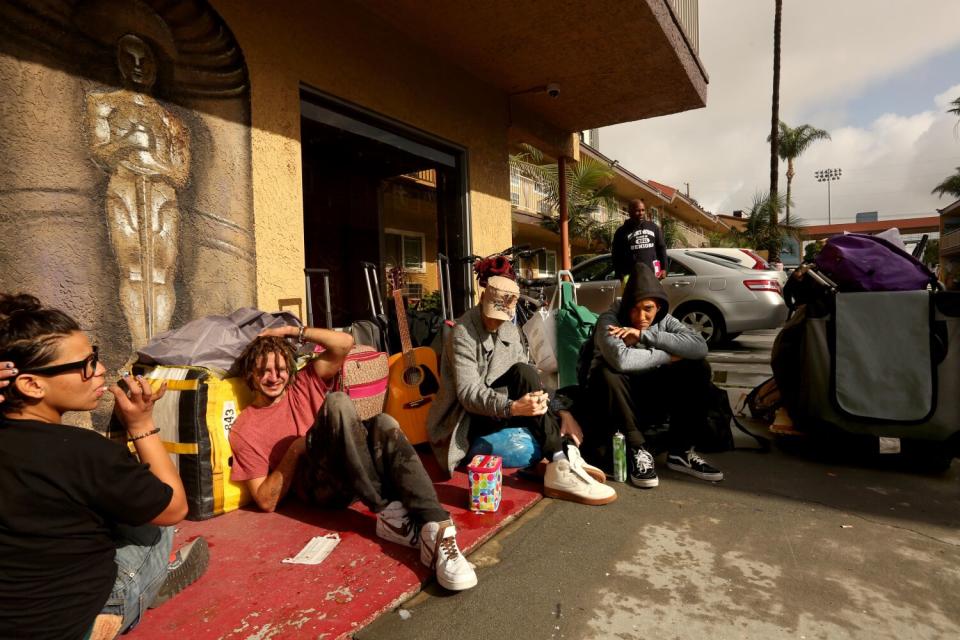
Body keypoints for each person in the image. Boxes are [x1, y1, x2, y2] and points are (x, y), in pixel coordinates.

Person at [0, 293, 207, 640]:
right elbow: (175, 508)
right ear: (32, 384)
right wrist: (141, 423)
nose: (99, 370)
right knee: (157, 519)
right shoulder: (84, 451)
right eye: (85, 365)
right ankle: (139, 594)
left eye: (93, 356)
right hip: (74, 621)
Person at [228, 325, 478, 592]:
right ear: (251, 375)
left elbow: (344, 343)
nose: (274, 377)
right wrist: (295, 449)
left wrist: (291, 330)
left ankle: (438, 528)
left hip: (353, 471)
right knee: (337, 402)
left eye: (280, 369)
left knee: (383, 422)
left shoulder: (302, 382)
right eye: (265, 371)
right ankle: (386, 510)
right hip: (319, 486)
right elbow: (265, 500)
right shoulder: (246, 428)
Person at [427, 276, 616, 505]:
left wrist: (560, 412)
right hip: (468, 418)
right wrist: (513, 407)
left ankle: (561, 457)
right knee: (526, 378)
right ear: (482, 299)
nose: (496, 322)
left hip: (503, 407)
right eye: (492, 315)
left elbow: (528, 380)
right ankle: (560, 456)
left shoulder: (509, 328)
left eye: (502, 317)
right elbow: (469, 393)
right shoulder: (462, 332)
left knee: (540, 378)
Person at [86, 33, 191, 348]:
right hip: (124, 186)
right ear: (118, 62)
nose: (137, 66)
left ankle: (157, 346)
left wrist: (156, 166)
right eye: (129, 59)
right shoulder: (103, 103)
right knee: (132, 269)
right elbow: (99, 152)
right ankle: (139, 347)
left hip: (161, 193)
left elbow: (181, 172)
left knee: (161, 272)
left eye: (144, 60)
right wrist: (128, 142)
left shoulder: (171, 119)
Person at [587, 265, 723, 488]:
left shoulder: (665, 320)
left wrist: (644, 335)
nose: (641, 316)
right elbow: (622, 360)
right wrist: (669, 356)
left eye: (648, 309)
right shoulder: (609, 320)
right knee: (607, 371)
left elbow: (699, 347)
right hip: (613, 401)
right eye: (635, 309)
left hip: (649, 396)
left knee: (698, 367)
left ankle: (680, 451)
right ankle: (637, 449)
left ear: (658, 306)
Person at [612, 199, 668, 281]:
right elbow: (616, 254)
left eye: (643, 210)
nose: (641, 213)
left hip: (653, 274)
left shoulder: (653, 227)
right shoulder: (621, 231)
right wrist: (620, 273)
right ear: (629, 212)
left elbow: (661, 248)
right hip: (631, 276)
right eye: (637, 211)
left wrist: (664, 268)